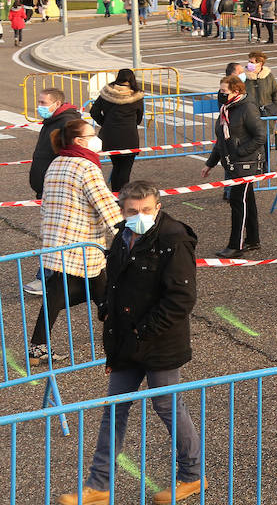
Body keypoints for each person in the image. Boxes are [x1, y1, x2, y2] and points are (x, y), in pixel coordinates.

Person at [56, 181, 202, 505]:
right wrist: (108, 310)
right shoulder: (122, 235)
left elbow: (182, 298)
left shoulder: (173, 239)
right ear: (122, 209)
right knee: (114, 409)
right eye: (132, 211)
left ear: (157, 208)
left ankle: (191, 476)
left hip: (160, 342)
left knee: (168, 407)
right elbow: (115, 280)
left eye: (146, 210)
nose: (139, 216)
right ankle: (99, 484)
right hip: (126, 342)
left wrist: (143, 332)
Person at [29, 119, 123, 362]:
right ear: (79, 141)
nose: (97, 138)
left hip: (57, 240)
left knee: (65, 293)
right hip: (83, 242)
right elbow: (104, 203)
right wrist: (126, 233)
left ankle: (37, 346)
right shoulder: (86, 167)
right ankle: (120, 344)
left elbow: (46, 204)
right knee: (104, 292)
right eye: (91, 134)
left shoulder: (57, 162)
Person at [202, 76, 267, 259]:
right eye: (220, 91)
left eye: (224, 91)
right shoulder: (226, 109)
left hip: (246, 163)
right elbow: (221, 140)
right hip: (233, 163)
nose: (220, 94)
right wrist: (210, 163)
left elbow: (260, 136)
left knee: (238, 202)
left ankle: (235, 245)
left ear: (236, 92)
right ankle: (253, 240)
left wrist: (240, 151)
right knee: (248, 201)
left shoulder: (247, 108)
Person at [89, 68, 145, 193]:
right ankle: (123, 196)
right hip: (129, 136)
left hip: (110, 136)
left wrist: (105, 123)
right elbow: (139, 116)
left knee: (116, 166)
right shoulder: (136, 95)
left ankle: (115, 194)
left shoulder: (107, 92)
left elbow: (94, 112)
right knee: (125, 169)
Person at [29, 87, 85, 199]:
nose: (39, 106)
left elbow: (72, 154)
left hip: (56, 185)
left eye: (43, 103)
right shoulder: (51, 120)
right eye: (39, 102)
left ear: (57, 103)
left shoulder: (66, 123)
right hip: (46, 184)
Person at [244, 50, 277, 120]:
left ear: (260, 64)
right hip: (250, 115)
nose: (249, 64)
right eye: (249, 61)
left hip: (268, 113)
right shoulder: (243, 77)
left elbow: (276, 94)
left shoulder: (269, 76)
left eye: (252, 62)